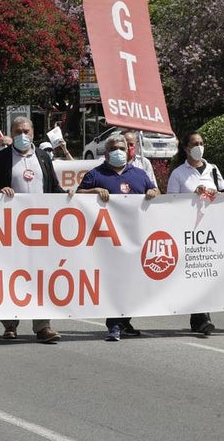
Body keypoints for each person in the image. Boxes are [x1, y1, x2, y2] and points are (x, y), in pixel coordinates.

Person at [0, 115, 63, 344]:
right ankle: (10, 323)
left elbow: (54, 188)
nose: (22, 136)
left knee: (40, 277)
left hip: (40, 231)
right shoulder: (1, 160)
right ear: (11, 134)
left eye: (26, 131)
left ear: (34, 132)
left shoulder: (44, 158)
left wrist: (69, 198)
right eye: (17, 132)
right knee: (11, 276)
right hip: (10, 231)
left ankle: (43, 326)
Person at [74, 135, 158, 341]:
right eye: (114, 148)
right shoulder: (95, 175)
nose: (119, 151)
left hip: (136, 238)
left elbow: (155, 191)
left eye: (122, 147)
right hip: (107, 241)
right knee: (115, 283)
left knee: (133, 283)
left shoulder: (139, 174)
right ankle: (114, 325)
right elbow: (76, 198)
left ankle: (124, 321)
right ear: (106, 152)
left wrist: (154, 191)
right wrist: (92, 191)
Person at [165, 131, 224, 336]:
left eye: (201, 143)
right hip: (189, 231)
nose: (199, 146)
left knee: (206, 273)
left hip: (211, 232)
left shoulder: (214, 170)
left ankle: (199, 318)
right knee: (194, 273)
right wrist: (192, 196)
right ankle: (202, 317)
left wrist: (217, 195)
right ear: (186, 148)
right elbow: (171, 201)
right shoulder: (179, 173)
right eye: (194, 143)